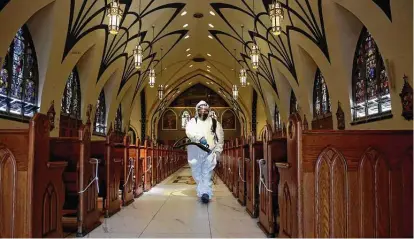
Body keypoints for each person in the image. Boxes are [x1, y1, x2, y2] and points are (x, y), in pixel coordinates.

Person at [185, 100, 224, 203]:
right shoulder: (193, 122)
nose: (203, 112)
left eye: (205, 110)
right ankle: (202, 190)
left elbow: (220, 139)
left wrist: (218, 151)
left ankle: (206, 193)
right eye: (201, 109)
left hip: (209, 151)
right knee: (196, 172)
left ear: (208, 110)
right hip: (195, 151)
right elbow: (189, 132)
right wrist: (199, 138)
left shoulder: (215, 123)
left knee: (207, 172)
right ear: (197, 110)